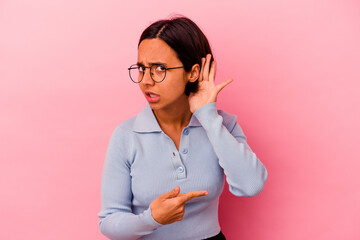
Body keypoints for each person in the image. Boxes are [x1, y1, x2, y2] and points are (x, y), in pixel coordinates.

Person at [97, 16, 268, 240]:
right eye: (141, 68)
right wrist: (151, 219)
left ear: (193, 72)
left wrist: (207, 115)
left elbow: (251, 185)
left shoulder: (222, 125)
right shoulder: (126, 136)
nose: (146, 80)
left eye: (160, 68)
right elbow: (109, 222)